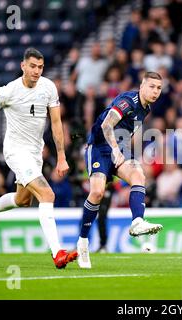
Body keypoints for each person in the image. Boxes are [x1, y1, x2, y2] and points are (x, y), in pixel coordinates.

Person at [0, 47, 78, 269]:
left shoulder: (48, 87)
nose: (37, 71)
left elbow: (56, 123)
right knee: (47, 194)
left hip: (35, 152)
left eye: (40, 67)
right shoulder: (8, 91)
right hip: (16, 152)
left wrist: (61, 156)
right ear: (23, 66)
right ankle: (57, 252)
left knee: (23, 201)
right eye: (32, 66)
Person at [76, 71, 164, 268]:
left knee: (138, 174)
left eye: (158, 88)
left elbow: (125, 131)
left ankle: (137, 222)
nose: (155, 91)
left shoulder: (146, 108)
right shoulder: (128, 100)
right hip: (99, 147)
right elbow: (107, 124)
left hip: (119, 149)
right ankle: (83, 242)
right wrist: (115, 149)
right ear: (142, 86)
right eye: (151, 86)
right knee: (97, 192)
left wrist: (125, 151)